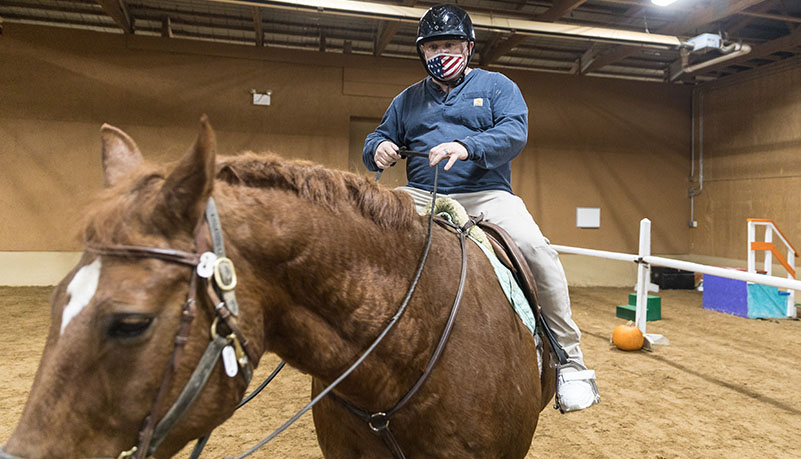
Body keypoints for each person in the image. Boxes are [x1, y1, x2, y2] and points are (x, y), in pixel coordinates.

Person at [362, 4, 599, 413]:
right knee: (366, 231)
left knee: (537, 251)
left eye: (449, 44)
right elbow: (379, 136)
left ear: (468, 47)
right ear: (422, 52)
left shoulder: (496, 86)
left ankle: (570, 361)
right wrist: (377, 148)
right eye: (433, 46)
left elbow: (513, 132)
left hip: (485, 193)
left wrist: (467, 146)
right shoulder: (407, 100)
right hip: (422, 192)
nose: (441, 53)